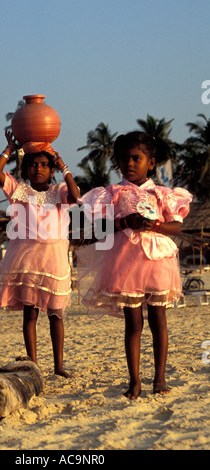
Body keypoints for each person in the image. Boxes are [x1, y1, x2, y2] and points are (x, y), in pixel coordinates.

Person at [78, 131, 192, 399]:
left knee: (159, 320)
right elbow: (99, 228)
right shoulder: (112, 194)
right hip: (126, 262)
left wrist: (157, 225)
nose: (129, 164)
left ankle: (160, 377)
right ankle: (135, 380)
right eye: (123, 159)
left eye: (136, 158)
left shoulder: (162, 193)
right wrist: (126, 223)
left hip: (158, 261)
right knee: (133, 323)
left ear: (150, 163)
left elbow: (176, 226)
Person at [0, 131, 80, 377]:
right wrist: (9, 148)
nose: (38, 169)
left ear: (51, 169)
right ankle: (33, 364)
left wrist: (63, 166)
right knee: (30, 313)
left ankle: (58, 366)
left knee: (56, 314)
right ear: (25, 168)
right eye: (33, 165)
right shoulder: (21, 192)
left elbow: (77, 196)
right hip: (27, 259)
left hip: (55, 259)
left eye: (44, 165)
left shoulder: (58, 191)